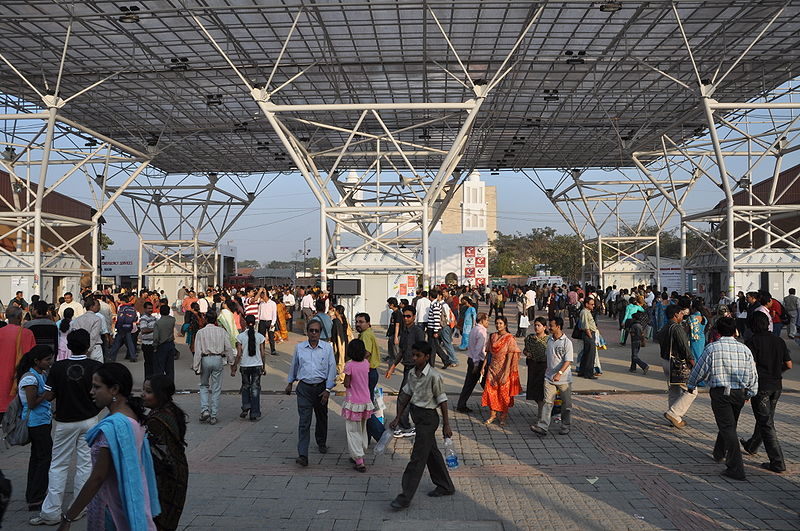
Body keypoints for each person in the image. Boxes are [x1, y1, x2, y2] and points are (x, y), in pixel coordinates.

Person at [57, 363, 160, 530]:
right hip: (129, 500)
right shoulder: (132, 416)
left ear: (114, 390)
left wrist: (68, 516)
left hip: (110, 507)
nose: (91, 392)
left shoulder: (111, 428)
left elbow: (98, 477)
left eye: (97, 387)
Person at [29, 329, 102, 526]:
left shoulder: (58, 367)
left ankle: (51, 512)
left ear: (68, 346)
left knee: (58, 465)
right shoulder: (96, 366)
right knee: (85, 464)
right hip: (90, 419)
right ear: (88, 346)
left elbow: (50, 395)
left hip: (64, 421)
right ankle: (79, 508)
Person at [687, 317, 758, 481]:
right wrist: (750, 392)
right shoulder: (744, 349)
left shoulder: (712, 348)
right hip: (739, 393)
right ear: (735, 331)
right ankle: (719, 452)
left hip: (720, 393)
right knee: (729, 423)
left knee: (728, 427)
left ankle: (736, 468)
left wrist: (691, 384)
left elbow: (700, 369)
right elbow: (752, 374)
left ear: (717, 331)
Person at [389, 341, 454, 510]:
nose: (414, 358)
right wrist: (397, 418)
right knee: (431, 452)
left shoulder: (434, 376)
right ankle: (445, 486)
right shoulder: (412, 374)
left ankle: (404, 497)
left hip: (429, 419)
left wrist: (447, 425)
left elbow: (443, 401)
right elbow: (405, 396)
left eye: (418, 355)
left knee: (417, 458)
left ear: (426, 357)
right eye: (413, 355)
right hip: (417, 416)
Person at [741, 312, 792, 473]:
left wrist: (747, 388)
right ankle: (752, 445)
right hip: (776, 385)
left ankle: (777, 461)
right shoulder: (779, 341)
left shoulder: (752, 342)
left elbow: (751, 367)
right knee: (765, 419)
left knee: (766, 423)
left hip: (761, 387)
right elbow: (789, 364)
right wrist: (777, 372)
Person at [285, 320, 337, 467]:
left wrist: (328, 389)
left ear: (320, 333)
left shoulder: (327, 348)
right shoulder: (300, 348)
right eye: (311, 331)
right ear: (307, 332)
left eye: (316, 331)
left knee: (321, 417)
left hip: (321, 388)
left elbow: (332, 368)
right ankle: (303, 455)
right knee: (304, 422)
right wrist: (290, 383)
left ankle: (321, 442)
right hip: (304, 389)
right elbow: (294, 366)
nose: (314, 333)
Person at [142, 375, 189, 531]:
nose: (143, 394)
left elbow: (155, 455)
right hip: (177, 471)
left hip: (166, 477)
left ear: (160, 394)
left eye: (148, 391)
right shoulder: (171, 410)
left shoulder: (156, 420)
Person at [16, 346, 54, 511]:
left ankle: (33, 494)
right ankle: (36, 497)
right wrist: (45, 396)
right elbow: (31, 403)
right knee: (43, 459)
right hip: (36, 423)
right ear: (37, 361)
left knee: (37, 458)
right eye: (47, 359)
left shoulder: (41, 375)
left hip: (42, 421)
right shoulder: (30, 379)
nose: (50, 362)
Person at [530, 316, 573, 436]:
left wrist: (559, 373)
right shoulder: (549, 340)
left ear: (558, 327)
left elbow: (568, 361)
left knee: (566, 404)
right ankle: (543, 426)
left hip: (564, 379)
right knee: (547, 402)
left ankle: (565, 425)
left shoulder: (566, 342)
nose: (549, 328)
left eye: (551, 326)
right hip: (549, 378)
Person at [386, 306, 425, 437]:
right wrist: (392, 367)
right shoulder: (404, 332)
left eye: (408, 316)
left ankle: (405, 426)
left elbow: (423, 352)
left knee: (403, 398)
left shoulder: (418, 332)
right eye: (404, 316)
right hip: (407, 368)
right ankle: (408, 424)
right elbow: (401, 352)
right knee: (409, 399)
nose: (406, 318)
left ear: (414, 317)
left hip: (414, 370)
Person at [192, 311, 236, 425]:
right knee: (216, 388)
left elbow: (197, 351)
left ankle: (205, 410)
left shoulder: (200, 332)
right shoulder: (222, 331)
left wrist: (196, 366)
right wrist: (232, 362)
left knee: (203, 385)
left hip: (205, 359)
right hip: (218, 359)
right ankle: (214, 415)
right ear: (216, 320)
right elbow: (228, 348)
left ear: (206, 319)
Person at [659, 304, 697, 429]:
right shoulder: (677, 328)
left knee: (674, 389)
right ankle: (674, 414)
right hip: (676, 363)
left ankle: (674, 417)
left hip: (665, 361)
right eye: (681, 313)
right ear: (676, 315)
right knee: (691, 390)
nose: (682, 316)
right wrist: (692, 361)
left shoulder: (664, 327)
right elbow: (684, 347)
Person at [481, 316, 522, 426]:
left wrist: (506, 372)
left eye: (500, 323)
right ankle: (493, 414)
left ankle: (503, 416)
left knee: (503, 394)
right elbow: (488, 353)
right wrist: (483, 367)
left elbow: (510, 356)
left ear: (505, 325)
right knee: (490, 392)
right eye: (497, 323)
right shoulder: (493, 336)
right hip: (492, 368)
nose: (498, 325)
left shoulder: (509, 338)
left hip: (504, 369)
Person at [341, 339, 374, 473]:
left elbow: (347, 383)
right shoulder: (366, 363)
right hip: (365, 401)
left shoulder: (349, 365)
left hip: (353, 402)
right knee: (362, 428)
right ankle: (359, 451)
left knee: (352, 431)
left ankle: (359, 459)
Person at [0, 306, 37, 417]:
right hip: (20, 379)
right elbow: (33, 357)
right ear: (20, 317)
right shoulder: (27, 334)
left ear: (6, 316)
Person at [232, 315, 266, 422]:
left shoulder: (240, 336)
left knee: (246, 387)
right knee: (255, 389)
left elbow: (238, 354)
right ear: (255, 323)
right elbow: (263, 353)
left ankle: (246, 406)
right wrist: (263, 367)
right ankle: (254, 413)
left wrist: (234, 366)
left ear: (245, 323)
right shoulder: (260, 336)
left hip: (245, 366)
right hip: (257, 366)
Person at [456, 312, 488, 413]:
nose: (488, 322)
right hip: (477, 361)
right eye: (487, 320)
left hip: (472, 359)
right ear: (482, 320)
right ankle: (494, 404)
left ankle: (461, 404)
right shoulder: (482, 331)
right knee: (484, 384)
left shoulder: (474, 329)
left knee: (470, 384)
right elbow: (479, 349)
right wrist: (476, 363)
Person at [524, 317, 549, 421]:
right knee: (534, 390)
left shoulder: (549, 340)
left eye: (539, 325)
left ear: (544, 327)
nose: (536, 327)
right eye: (535, 325)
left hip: (544, 367)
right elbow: (525, 350)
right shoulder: (530, 338)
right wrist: (527, 353)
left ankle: (541, 416)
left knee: (541, 392)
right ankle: (542, 413)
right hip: (532, 366)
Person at [355, 312, 380, 403]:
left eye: (361, 322)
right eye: (356, 321)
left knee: (366, 402)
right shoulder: (366, 333)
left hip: (368, 372)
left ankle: (371, 417)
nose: (358, 324)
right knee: (368, 400)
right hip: (370, 372)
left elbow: (367, 353)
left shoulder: (365, 335)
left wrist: (355, 363)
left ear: (368, 323)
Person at [152, 305, 177, 382]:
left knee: (160, 367)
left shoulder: (158, 323)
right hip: (170, 343)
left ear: (160, 312)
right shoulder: (172, 320)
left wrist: (155, 346)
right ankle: (170, 383)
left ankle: (160, 384)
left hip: (161, 345)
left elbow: (156, 337)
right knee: (170, 367)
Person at [576, 297, 599, 379]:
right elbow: (585, 326)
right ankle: (588, 373)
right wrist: (590, 336)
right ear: (586, 304)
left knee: (586, 354)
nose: (593, 306)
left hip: (590, 334)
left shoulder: (587, 312)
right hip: (588, 334)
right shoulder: (584, 312)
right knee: (590, 355)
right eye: (591, 304)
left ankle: (582, 371)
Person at [139, 301, 158, 379]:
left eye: (151, 308)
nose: (150, 310)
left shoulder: (153, 318)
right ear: (144, 309)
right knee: (148, 364)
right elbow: (144, 330)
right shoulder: (143, 319)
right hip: (147, 344)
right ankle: (147, 380)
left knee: (154, 364)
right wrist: (154, 329)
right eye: (149, 308)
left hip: (153, 344)